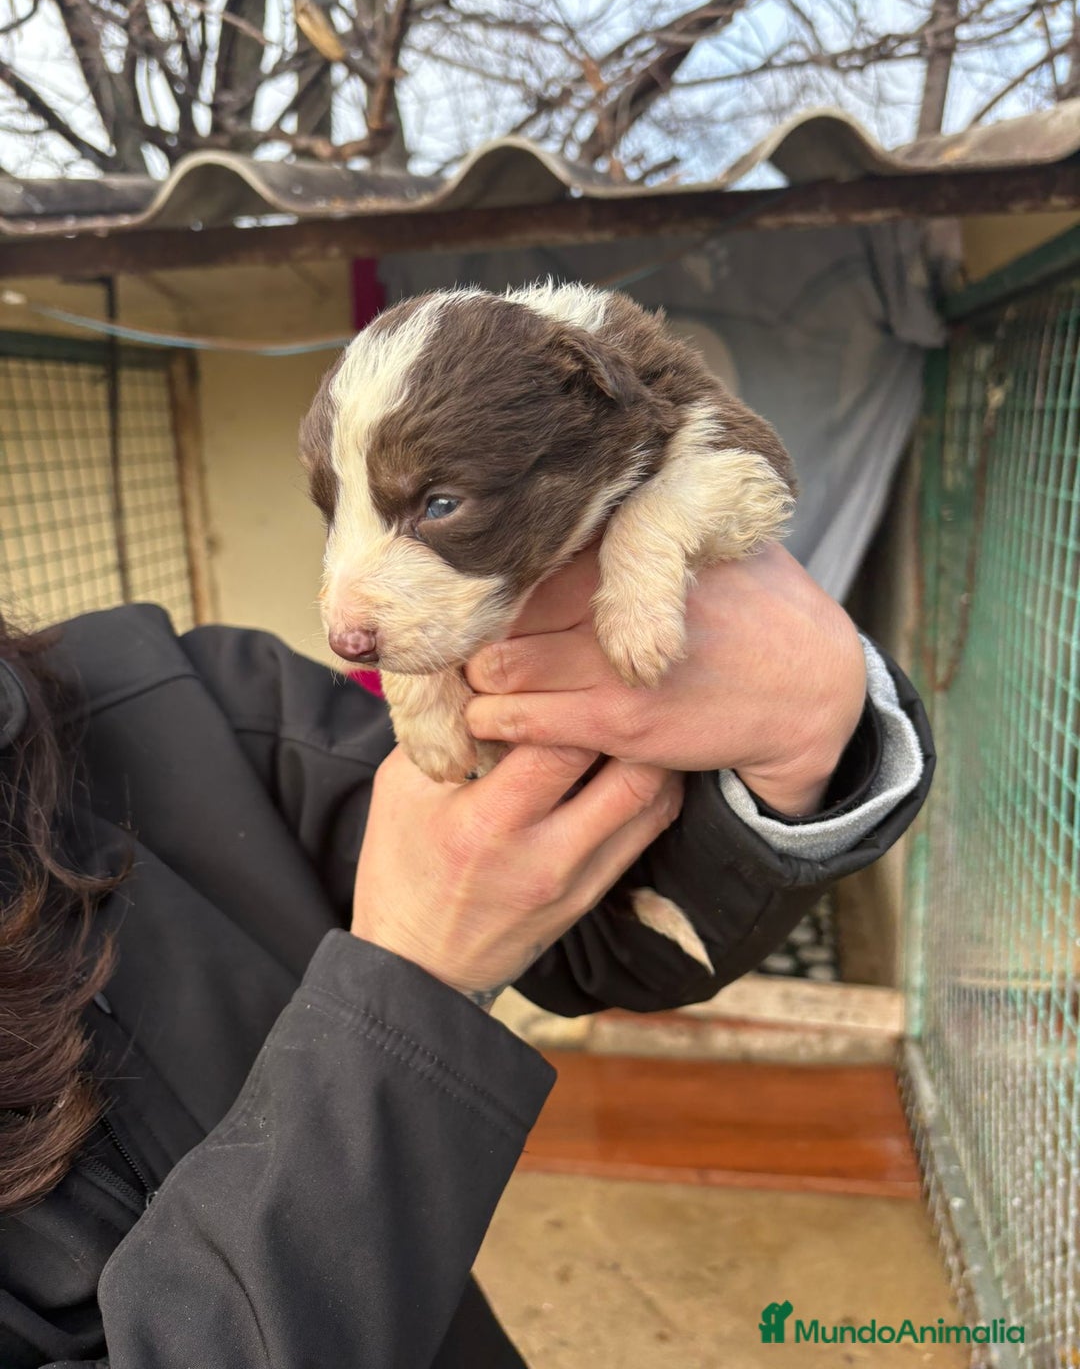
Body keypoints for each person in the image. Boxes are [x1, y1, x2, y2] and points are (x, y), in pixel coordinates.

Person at [0, 541, 934, 1368]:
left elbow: (611, 929)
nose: (349, 629)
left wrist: (803, 747)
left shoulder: (161, 693)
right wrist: (412, 985)